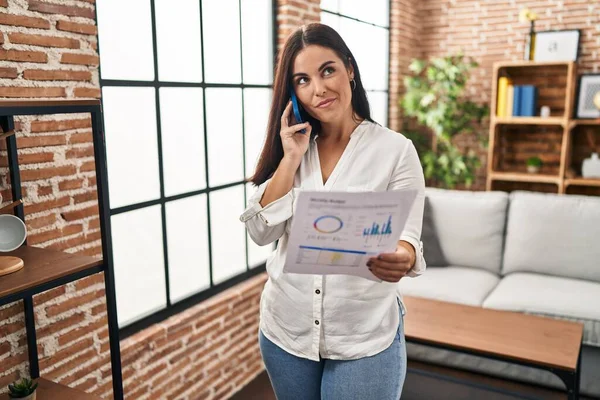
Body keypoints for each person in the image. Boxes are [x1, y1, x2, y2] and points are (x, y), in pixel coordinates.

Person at [239, 23, 426, 400]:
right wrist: (290, 158)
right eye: (303, 80)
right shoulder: (294, 149)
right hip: (285, 332)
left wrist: (402, 257)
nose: (319, 88)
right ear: (293, 92)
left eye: (328, 70)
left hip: (363, 337)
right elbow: (261, 233)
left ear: (349, 70)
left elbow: (408, 237)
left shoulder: (396, 150)